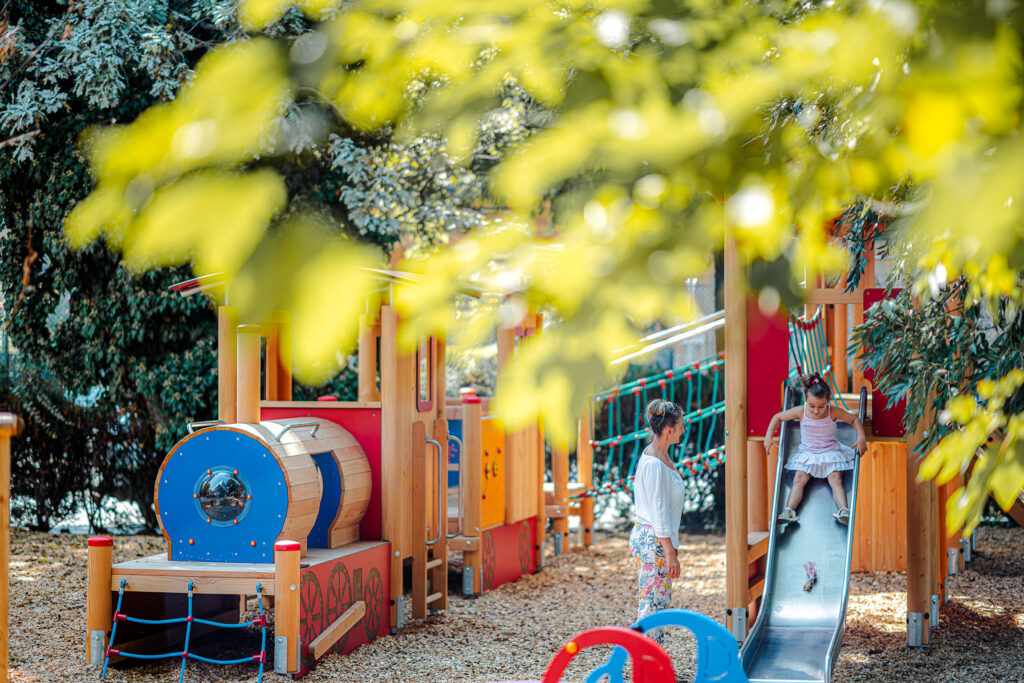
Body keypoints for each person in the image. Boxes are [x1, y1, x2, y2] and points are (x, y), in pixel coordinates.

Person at [764, 373, 867, 527]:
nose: (816, 410)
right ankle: (789, 511)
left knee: (835, 478)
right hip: (808, 454)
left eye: (821, 406)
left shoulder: (832, 411)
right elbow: (778, 417)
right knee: (799, 478)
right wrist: (768, 435)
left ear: (828, 401)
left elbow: (854, 419)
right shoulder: (801, 411)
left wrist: (861, 437)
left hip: (830, 452)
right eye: (812, 406)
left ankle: (844, 511)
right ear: (805, 399)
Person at [629, 398, 685, 644]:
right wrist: (670, 552)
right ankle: (645, 660)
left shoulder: (659, 456)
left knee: (659, 602)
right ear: (669, 430)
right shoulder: (653, 464)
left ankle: (654, 659)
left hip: (656, 539)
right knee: (651, 603)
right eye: (681, 425)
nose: (683, 430)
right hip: (654, 540)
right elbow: (659, 511)